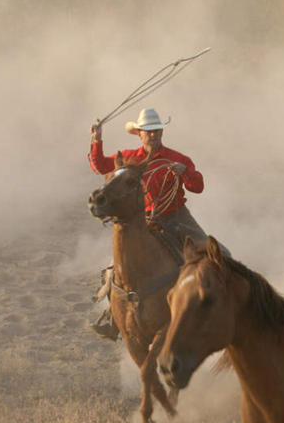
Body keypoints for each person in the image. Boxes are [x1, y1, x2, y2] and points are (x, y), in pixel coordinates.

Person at [88, 107, 211, 340]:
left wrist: (184, 173)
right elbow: (101, 166)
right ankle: (114, 318)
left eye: (156, 131)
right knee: (118, 270)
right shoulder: (128, 160)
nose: (153, 135)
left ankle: (213, 311)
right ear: (139, 134)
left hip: (175, 215)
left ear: (161, 132)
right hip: (143, 219)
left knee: (216, 254)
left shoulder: (178, 159)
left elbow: (198, 187)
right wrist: (97, 140)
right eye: (148, 131)